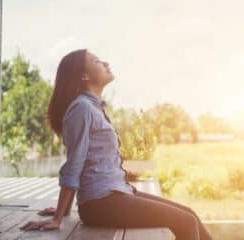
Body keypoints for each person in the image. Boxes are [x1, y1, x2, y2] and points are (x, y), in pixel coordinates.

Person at [19, 49, 213, 240]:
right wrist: (58, 217)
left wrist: (65, 209)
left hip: (116, 193)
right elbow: (74, 163)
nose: (106, 63)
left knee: (190, 215)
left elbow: (88, 163)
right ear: (84, 75)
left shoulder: (92, 107)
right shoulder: (81, 108)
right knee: (186, 222)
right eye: (97, 61)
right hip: (101, 203)